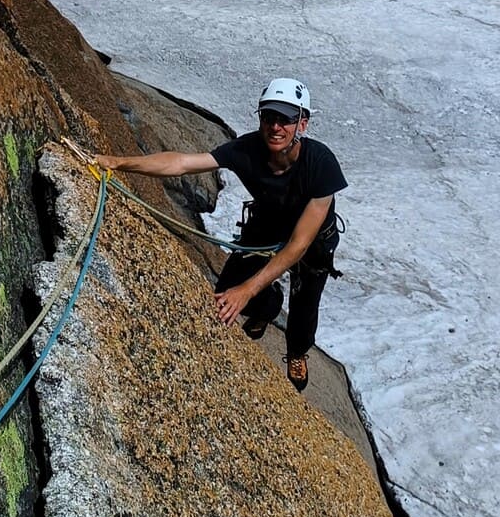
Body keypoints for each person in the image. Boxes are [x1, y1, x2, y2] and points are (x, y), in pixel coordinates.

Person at [94, 77, 346, 391]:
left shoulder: (321, 164)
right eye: (269, 117)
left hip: (311, 244)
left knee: (305, 304)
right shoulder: (247, 149)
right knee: (227, 288)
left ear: (302, 125)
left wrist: (248, 289)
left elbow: (298, 245)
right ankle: (267, 306)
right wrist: (118, 163)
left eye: (286, 119)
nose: (275, 126)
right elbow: (183, 164)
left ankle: (296, 351)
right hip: (266, 225)